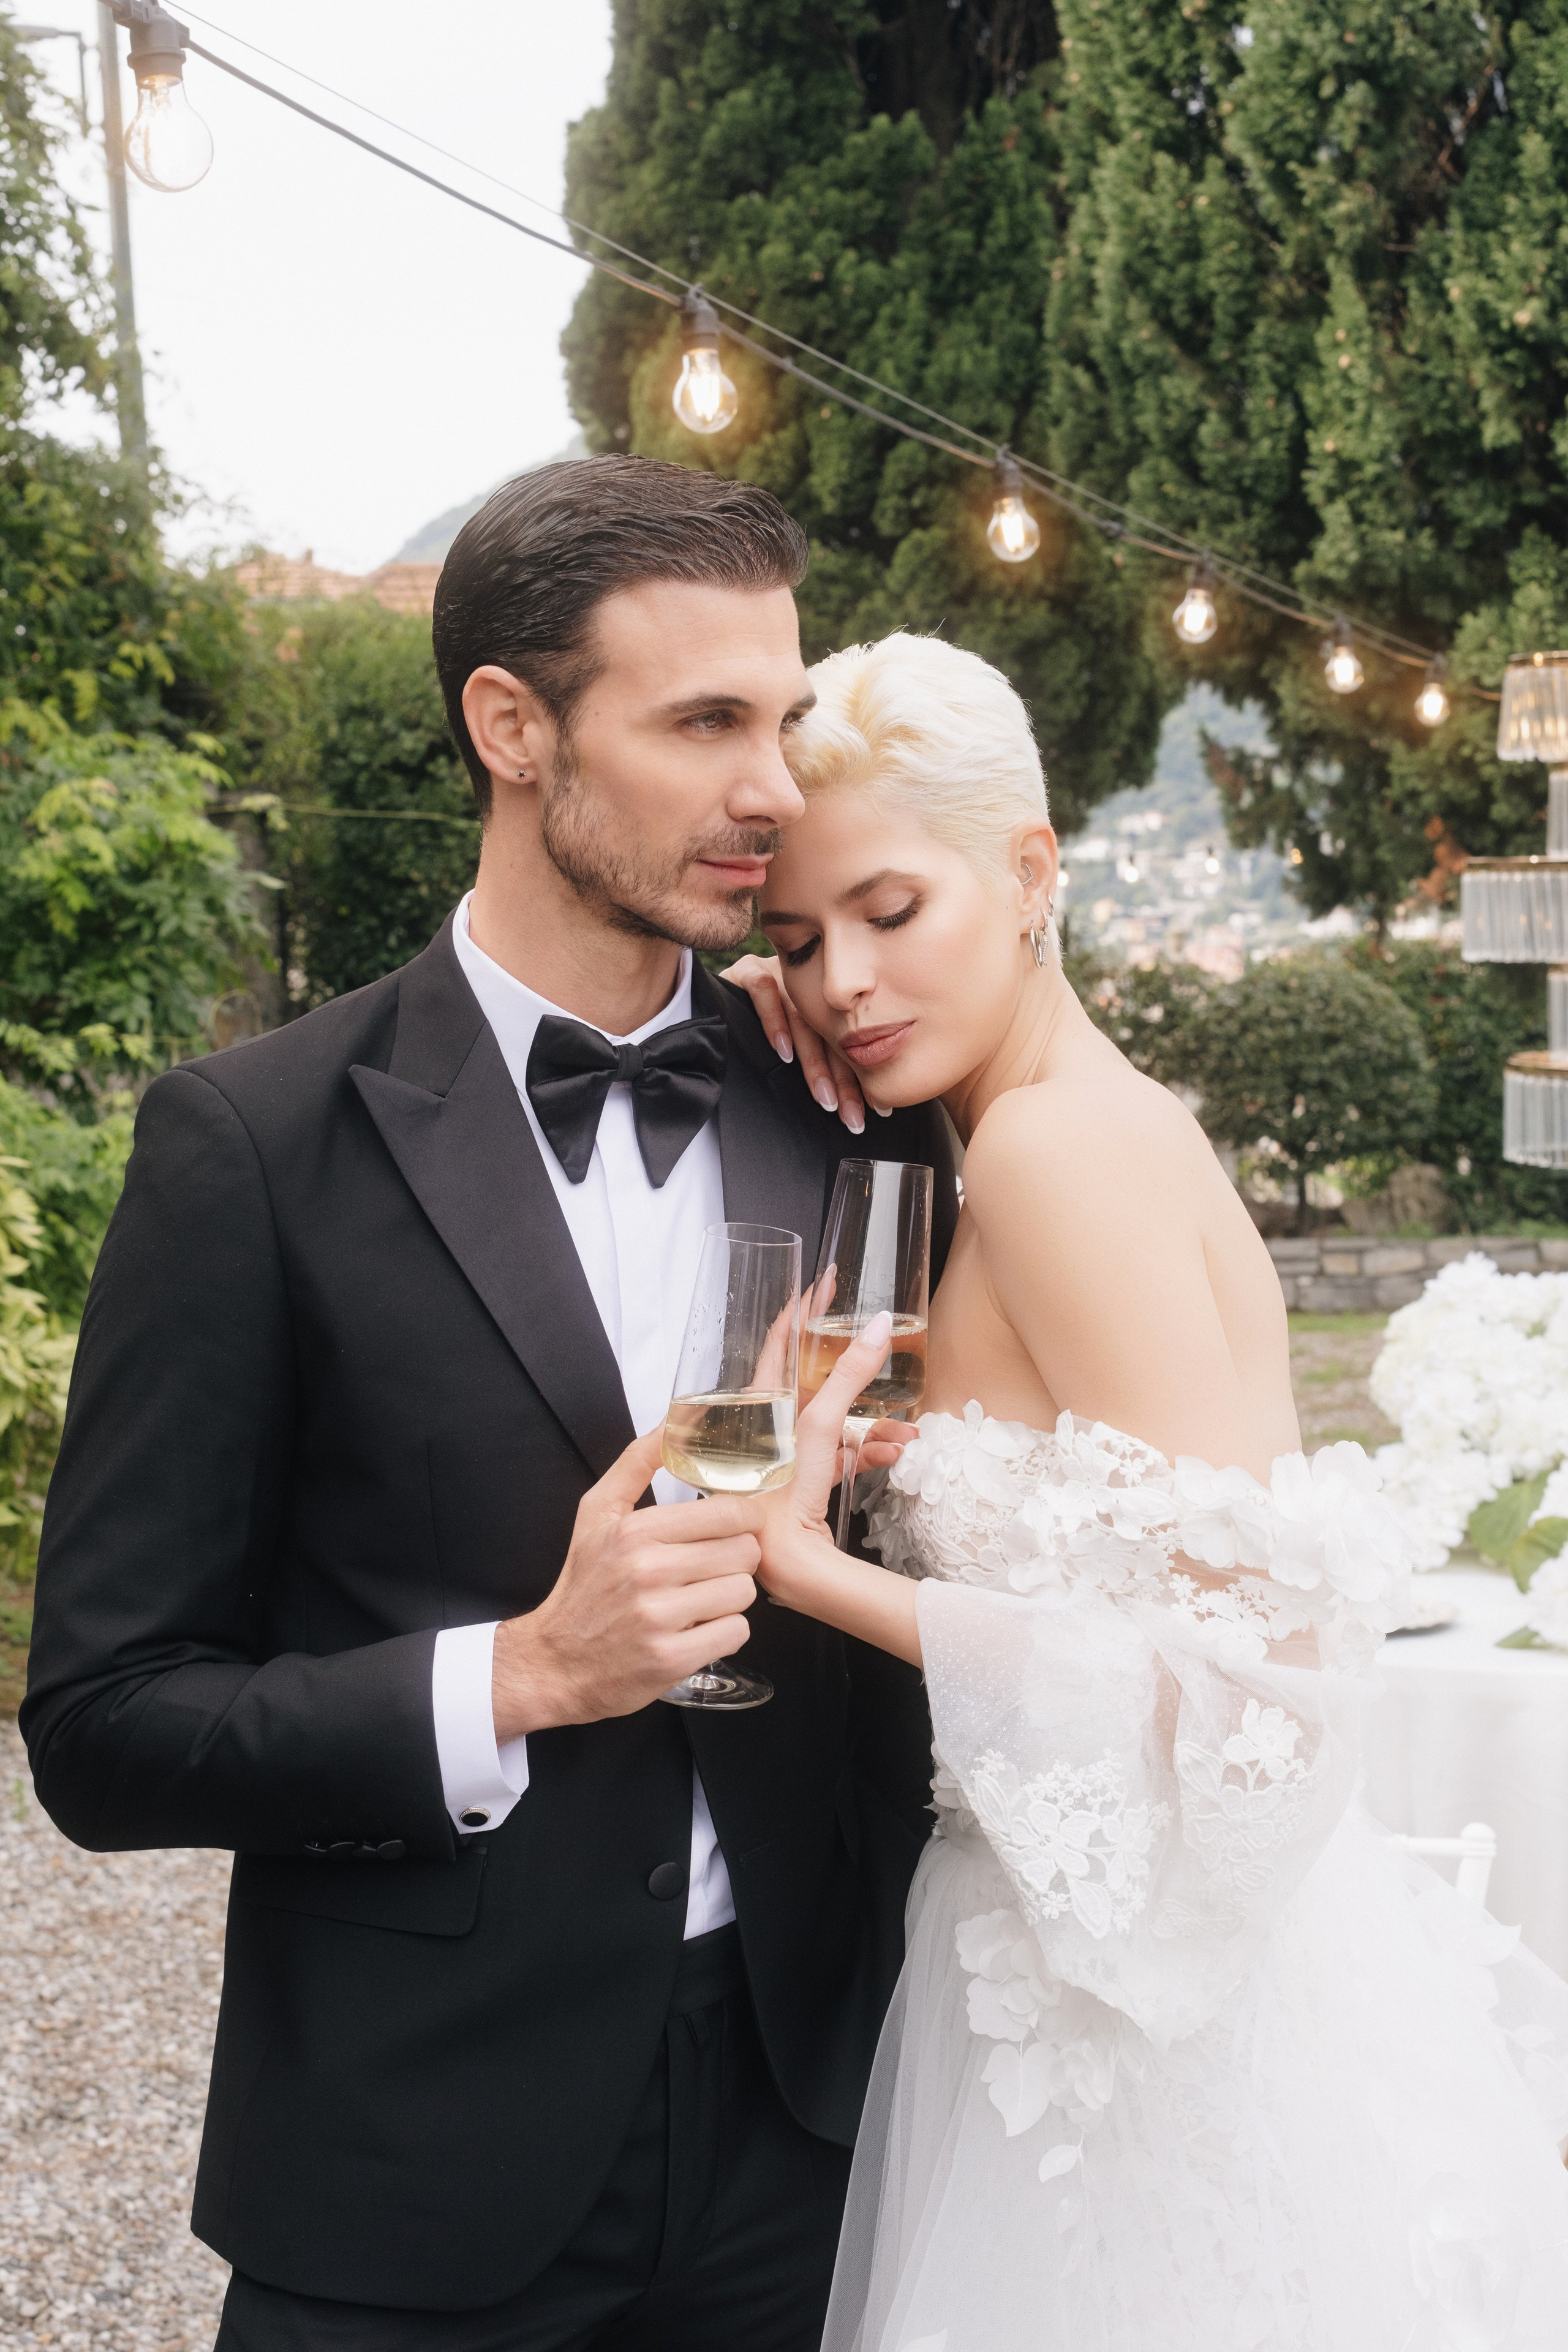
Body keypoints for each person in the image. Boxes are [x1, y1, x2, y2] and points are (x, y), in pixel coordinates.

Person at [20, 460, 957, 2352]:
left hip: (803, 2139)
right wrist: (517, 1675)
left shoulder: (847, 1106)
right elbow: (105, 1730)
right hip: (410, 2167)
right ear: (513, 728)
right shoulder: (253, 1147)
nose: (774, 791)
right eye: (703, 723)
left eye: (781, 722)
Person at [722, 627, 1568, 2350]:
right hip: (1066, 1971)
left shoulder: (1050, 1153)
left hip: (1135, 2035)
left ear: (1033, 872)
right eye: (799, 940)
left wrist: (804, 1564)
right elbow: (1123, 1530)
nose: (844, 985)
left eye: (893, 910)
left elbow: (1244, 1689)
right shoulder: (1060, 1127)